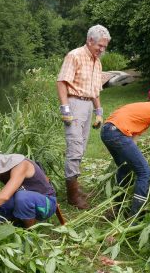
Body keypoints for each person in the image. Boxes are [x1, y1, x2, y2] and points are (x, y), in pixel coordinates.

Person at [57, 24, 111, 209]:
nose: (102, 49)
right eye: (100, 46)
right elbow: (62, 82)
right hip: (74, 104)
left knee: (82, 146)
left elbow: (95, 90)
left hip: (88, 105)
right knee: (75, 148)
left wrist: (99, 111)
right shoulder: (75, 55)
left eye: (105, 46)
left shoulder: (97, 61)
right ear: (90, 41)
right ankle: (72, 196)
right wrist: (65, 109)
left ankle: (75, 187)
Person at [100, 85, 150, 217]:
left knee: (125, 167)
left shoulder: (140, 107)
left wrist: (135, 156)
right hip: (118, 134)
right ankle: (135, 216)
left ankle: (117, 207)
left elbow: (132, 141)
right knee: (145, 172)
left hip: (106, 131)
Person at [0, 150, 57, 228]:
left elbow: (4, 196)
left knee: (22, 197)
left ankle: (29, 234)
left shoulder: (21, 165)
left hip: (46, 203)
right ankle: (3, 229)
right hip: (25, 201)